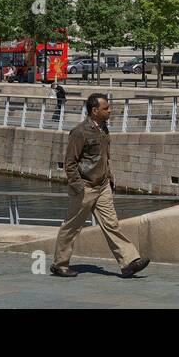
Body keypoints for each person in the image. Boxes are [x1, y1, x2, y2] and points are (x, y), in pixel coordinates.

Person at [51, 94, 150, 279]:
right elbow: (70, 163)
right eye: (106, 108)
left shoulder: (103, 128)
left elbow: (104, 157)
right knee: (72, 227)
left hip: (102, 185)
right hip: (85, 187)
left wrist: (109, 177)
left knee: (112, 224)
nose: (109, 110)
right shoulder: (79, 132)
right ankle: (59, 264)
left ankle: (129, 262)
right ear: (94, 111)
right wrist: (79, 186)